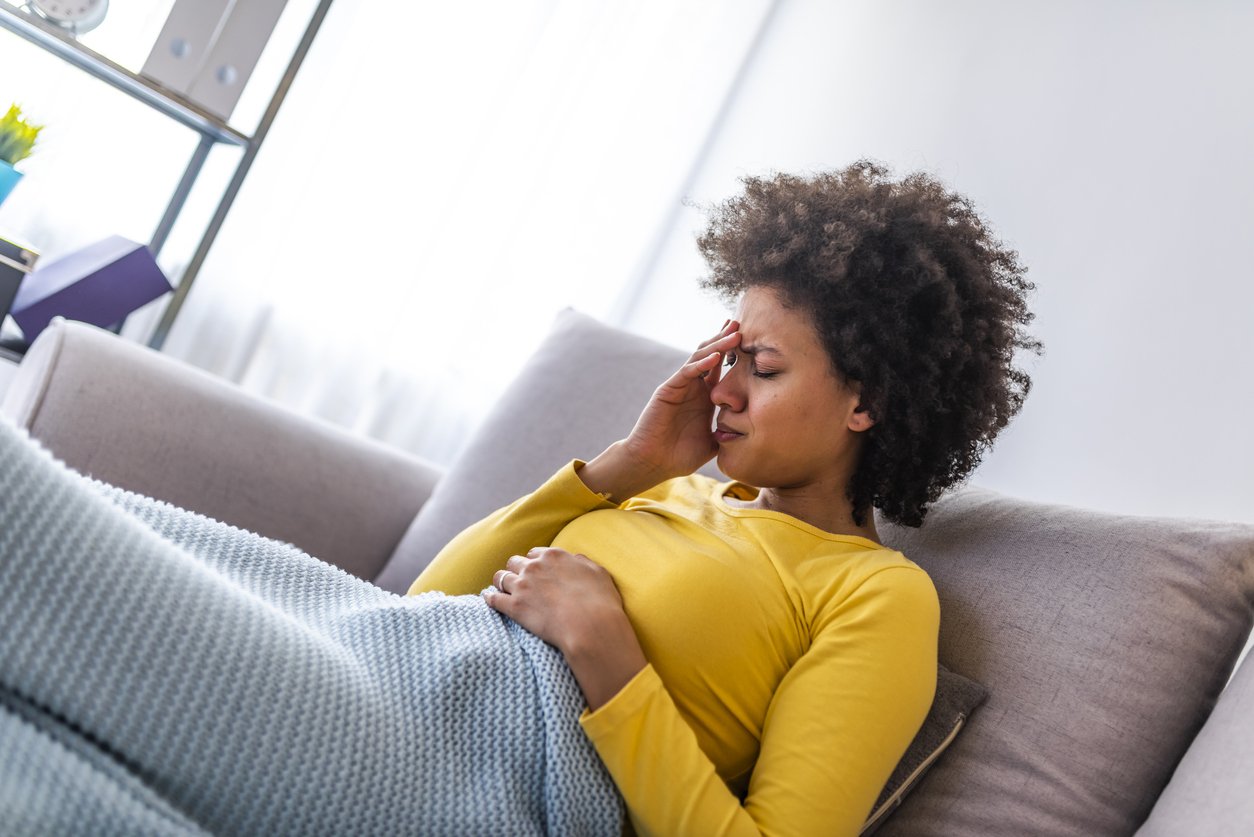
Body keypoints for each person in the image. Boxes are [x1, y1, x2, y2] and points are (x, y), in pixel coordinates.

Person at [409, 159, 1040, 836]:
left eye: (763, 367)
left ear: (867, 401)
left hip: (461, 783)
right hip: (398, 685)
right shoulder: (667, 488)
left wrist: (607, 649)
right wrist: (627, 465)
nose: (723, 390)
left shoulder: (874, 593)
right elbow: (420, 605)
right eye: (729, 357)